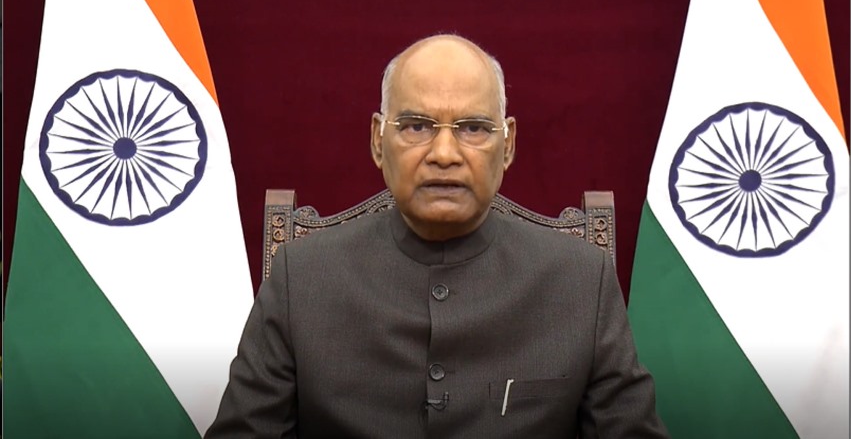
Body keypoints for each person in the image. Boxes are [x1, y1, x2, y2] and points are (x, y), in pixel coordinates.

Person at [205, 34, 669, 438]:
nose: (444, 154)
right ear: (377, 140)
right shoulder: (301, 278)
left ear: (508, 145)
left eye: (473, 129)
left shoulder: (581, 281)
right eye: (416, 127)